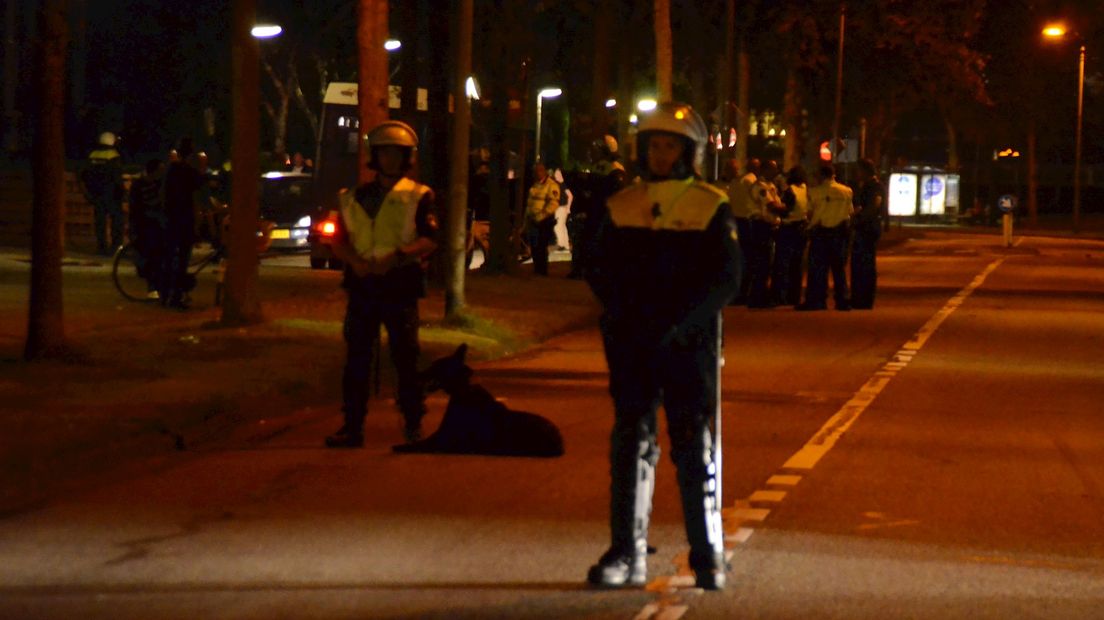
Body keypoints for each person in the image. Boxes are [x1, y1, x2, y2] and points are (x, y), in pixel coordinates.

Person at [585, 102, 740, 591]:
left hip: (688, 343)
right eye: (653, 144)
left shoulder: (710, 204)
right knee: (631, 443)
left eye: (669, 144)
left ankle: (707, 553)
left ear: (687, 152)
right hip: (633, 342)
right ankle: (625, 553)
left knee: (694, 447)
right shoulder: (621, 203)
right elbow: (599, 268)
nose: (660, 153)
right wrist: (624, 317)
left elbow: (727, 277)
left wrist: (684, 323)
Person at [324, 120, 439, 449]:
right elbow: (340, 240)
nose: (389, 159)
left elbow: (430, 239)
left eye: (396, 153)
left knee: (406, 356)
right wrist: (354, 262)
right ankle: (352, 425)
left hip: (399, 284)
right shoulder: (352, 197)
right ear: (374, 156)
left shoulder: (419, 196)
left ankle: (414, 422)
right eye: (384, 153)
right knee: (357, 358)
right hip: (362, 286)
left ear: (407, 158)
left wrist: (399, 256)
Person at [799, 162, 853, 311]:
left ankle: (816, 300)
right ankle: (842, 300)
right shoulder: (847, 191)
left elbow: (809, 213)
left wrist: (808, 227)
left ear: (822, 175)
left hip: (820, 232)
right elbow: (850, 212)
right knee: (839, 269)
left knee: (817, 269)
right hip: (839, 232)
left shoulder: (815, 192)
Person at [161, 137, 204, 309]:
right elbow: (199, 186)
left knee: (169, 257)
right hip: (184, 219)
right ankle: (176, 297)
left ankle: (165, 295)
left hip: (171, 218)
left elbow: (164, 192)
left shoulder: (171, 170)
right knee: (182, 260)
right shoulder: (189, 172)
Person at [745, 159, 784, 308]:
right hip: (760, 226)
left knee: (766, 263)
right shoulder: (760, 187)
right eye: (772, 169)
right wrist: (788, 209)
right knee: (761, 262)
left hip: (768, 226)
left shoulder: (770, 186)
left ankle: (760, 296)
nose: (775, 172)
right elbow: (772, 205)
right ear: (764, 170)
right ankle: (757, 297)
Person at [80, 131, 125, 256]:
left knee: (100, 222)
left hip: (97, 193)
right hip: (111, 194)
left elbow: (85, 174)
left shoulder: (93, 155)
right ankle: (115, 247)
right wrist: (121, 191)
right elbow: (116, 176)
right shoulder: (113, 155)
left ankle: (101, 247)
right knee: (117, 220)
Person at [127, 158, 167, 299]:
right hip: (145, 226)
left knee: (160, 257)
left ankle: (160, 287)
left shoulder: (158, 183)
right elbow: (135, 208)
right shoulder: (139, 184)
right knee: (151, 257)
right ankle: (152, 286)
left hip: (157, 225)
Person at [771, 165, 809, 307]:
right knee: (797, 264)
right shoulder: (804, 189)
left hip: (788, 228)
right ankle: (795, 295)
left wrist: (774, 207)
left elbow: (786, 210)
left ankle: (780, 295)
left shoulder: (790, 191)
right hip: (801, 228)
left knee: (782, 263)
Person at [850, 158, 885, 309]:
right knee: (860, 263)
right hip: (865, 226)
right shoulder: (867, 186)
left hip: (868, 228)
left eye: (858, 170)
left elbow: (873, 206)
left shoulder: (875, 186)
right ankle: (859, 297)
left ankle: (863, 298)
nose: (856, 174)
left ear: (865, 171)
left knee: (864, 263)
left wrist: (859, 218)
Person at [726, 157, 760, 304]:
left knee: (738, 259)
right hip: (748, 222)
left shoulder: (735, 182)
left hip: (735, 221)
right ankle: (746, 293)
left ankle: (737, 293)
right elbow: (761, 202)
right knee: (750, 259)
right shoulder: (752, 182)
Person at [524, 161, 561, 276]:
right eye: (535, 171)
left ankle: (542, 270)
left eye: (539, 170)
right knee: (534, 246)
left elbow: (553, 204)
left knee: (541, 246)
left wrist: (542, 216)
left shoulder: (551, 185)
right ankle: (537, 269)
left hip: (544, 221)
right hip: (533, 220)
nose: (537, 173)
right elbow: (530, 203)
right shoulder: (535, 184)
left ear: (544, 171)